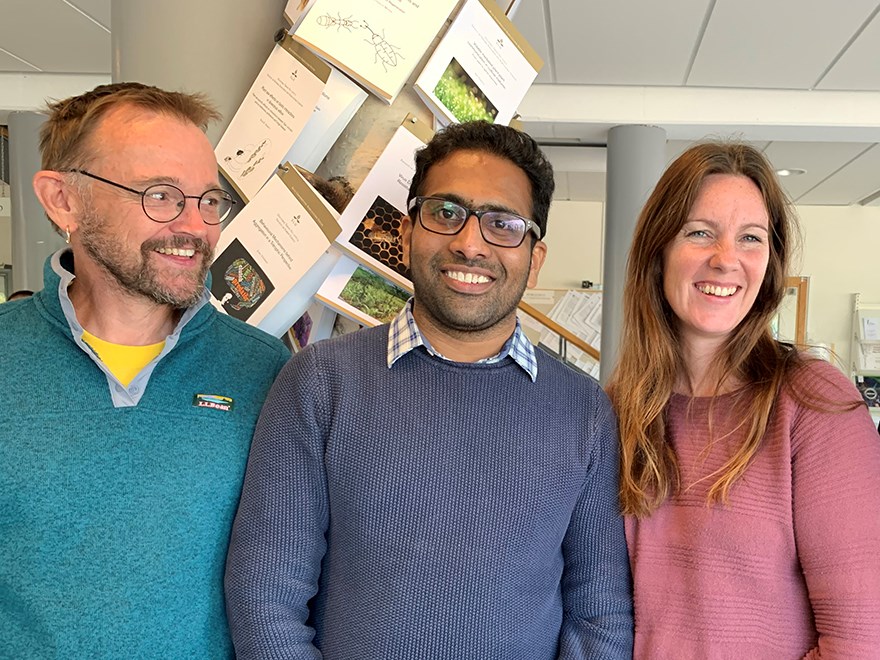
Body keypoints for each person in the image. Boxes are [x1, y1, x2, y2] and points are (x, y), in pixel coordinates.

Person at [225, 121, 634, 659]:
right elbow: (266, 597)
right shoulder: (320, 383)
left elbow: (599, 608)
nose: (470, 244)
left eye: (504, 225)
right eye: (446, 213)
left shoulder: (584, 410)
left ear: (534, 260)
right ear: (406, 233)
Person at [0, 83, 289, 658]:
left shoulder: (266, 370)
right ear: (63, 200)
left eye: (210, 200)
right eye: (161, 194)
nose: (195, 227)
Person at [608, 142, 880, 658]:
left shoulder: (811, 402)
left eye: (750, 238)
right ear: (658, 249)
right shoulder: (617, 410)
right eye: (700, 232)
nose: (725, 258)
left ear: (770, 263)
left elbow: (861, 641)